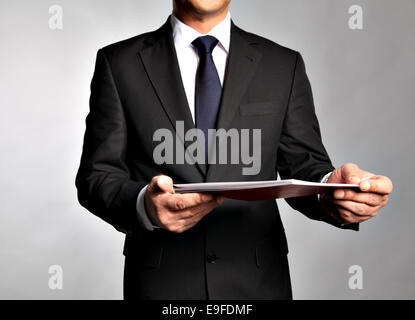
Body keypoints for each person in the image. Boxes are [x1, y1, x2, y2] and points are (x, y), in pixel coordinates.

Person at [75, 0, 393, 300]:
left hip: (258, 284)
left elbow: (304, 168)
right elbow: (96, 177)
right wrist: (145, 205)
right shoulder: (119, 63)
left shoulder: (283, 65)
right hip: (162, 286)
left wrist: (332, 188)